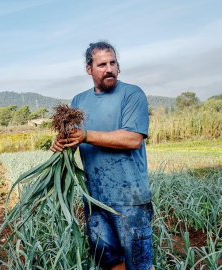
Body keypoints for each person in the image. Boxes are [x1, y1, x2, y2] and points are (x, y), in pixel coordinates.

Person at [50, 41, 155, 270]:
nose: (109, 69)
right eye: (102, 64)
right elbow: (75, 141)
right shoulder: (79, 101)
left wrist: (85, 135)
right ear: (89, 69)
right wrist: (62, 143)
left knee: (140, 265)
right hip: (95, 200)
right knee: (110, 262)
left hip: (130, 199)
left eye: (113, 63)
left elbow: (133, 138)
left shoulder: (132, 94)